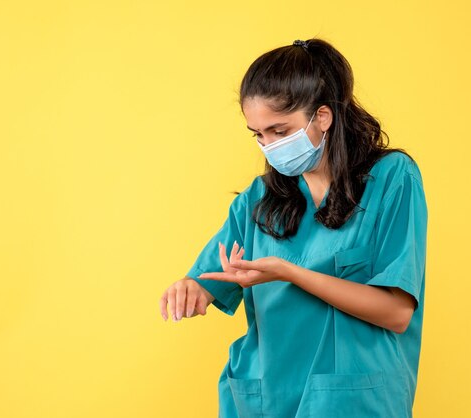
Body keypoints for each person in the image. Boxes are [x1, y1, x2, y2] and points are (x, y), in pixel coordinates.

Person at [158, 37, 428, 418]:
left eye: (280, 132)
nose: (268, 146)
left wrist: (289, 272)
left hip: (353, 402)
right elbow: (206, 283)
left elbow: (398, 312)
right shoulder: (258, 199)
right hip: (262, 401)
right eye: (258, 134)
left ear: (322, 117)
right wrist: (188, 288)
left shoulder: (392, 179)